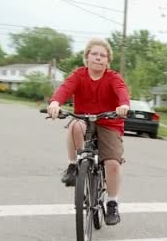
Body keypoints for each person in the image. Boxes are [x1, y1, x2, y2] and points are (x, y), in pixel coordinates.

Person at [47, 38, 130, 225]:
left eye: (103, 55)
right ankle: (73, 165)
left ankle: (112, 203)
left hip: (109, 122)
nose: (98, 58)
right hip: (84, 119)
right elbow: (65, 88)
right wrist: (55, 102)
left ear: (107, 60)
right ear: (87, 57)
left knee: (113, 164)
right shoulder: (79, 75)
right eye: (94, 54)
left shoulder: (113, 77)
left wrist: (124, 105)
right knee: (75, 125)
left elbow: (121, 91)